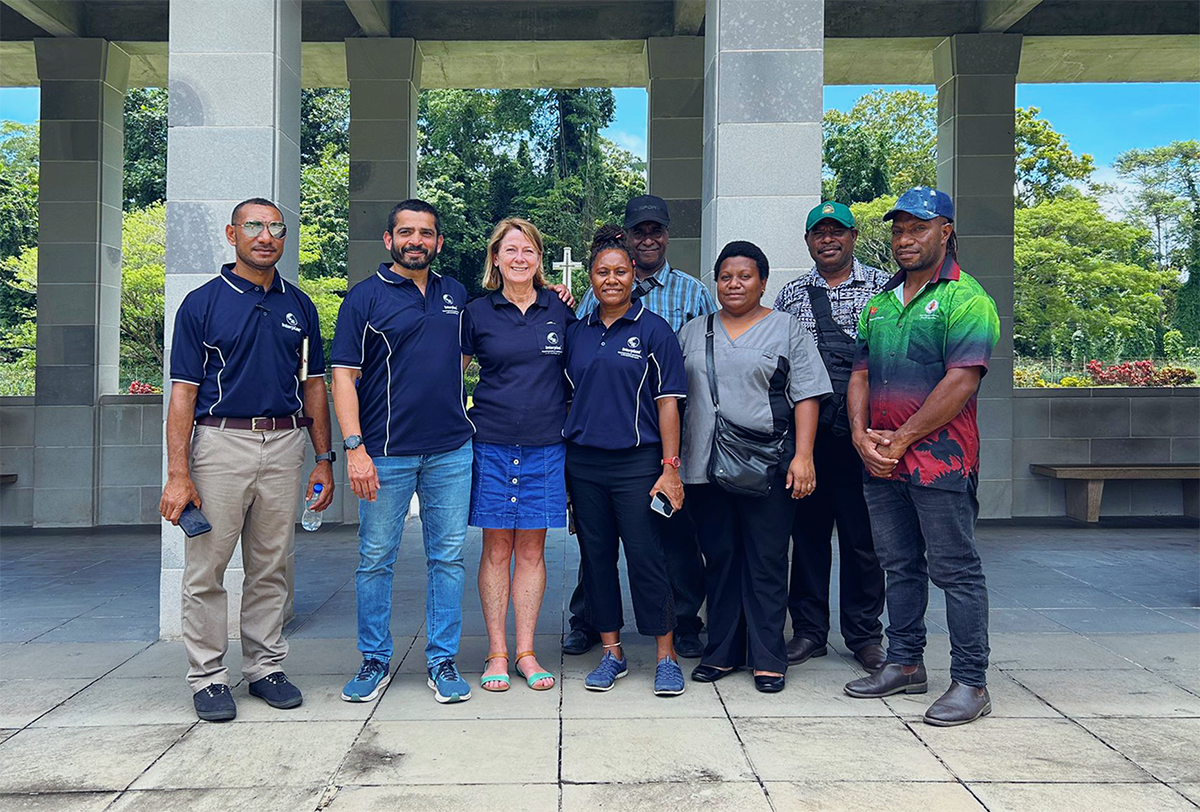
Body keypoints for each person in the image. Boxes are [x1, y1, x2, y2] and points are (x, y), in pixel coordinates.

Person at [161, 197, 335, 723]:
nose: (265, 236)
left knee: (271, 565)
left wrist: (323, 459)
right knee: (207, 568)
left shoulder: (299, 306)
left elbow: (314, 387)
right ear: (232, 234)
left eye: (276, 228)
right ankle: (209, 677)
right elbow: (183, 394)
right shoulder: (202, 304)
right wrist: (178, 473)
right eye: (254, 226)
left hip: (285, 446)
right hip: (220, 445)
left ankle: (265, 668)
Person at [842, 187, 1000, 727]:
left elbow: (962, 381)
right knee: (898, 566)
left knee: (955, 571)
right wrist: (863, 436)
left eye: (918, 228)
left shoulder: (967, 299)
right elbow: (859, 373)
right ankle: (905, 662)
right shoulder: (880, 302)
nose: (905, 239)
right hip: (881, 462)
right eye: (898, 230)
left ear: (946, 230)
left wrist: (902, 437)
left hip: (940, 463)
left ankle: (970, 681)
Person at [331, 199, 475, 705]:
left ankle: (442, 660)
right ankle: (374, 659)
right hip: (385, 455)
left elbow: (474, 349)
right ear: (389, 240)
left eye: (427, 233)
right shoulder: (363, 299)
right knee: (375, 559)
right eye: (407, 232)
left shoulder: (455, 293)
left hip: (452, 452)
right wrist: (354, 448)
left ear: (438, 242)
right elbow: (342, 377)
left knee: (449, 558)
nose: (418, 240)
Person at [565, 195, 714, 660]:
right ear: (626, 239)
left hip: (669, 437)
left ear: (667, 235)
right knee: (597, 543)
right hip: (598, 443)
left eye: (656, 230)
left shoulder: (693, 292)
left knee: (671, 537)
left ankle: (683, 621)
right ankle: (589, 619)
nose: (648, 238)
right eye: (639, 231)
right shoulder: (596, 296)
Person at [679, 241, 830, 693]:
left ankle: (768, 656)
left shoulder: (787, 329)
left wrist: (804, 457)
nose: (734, 284)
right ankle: (722, 651)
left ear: (763, 282)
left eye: (745, 276)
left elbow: (806, 394)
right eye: (726, 276)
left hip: (768, 466)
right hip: (705, 467)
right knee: (720, 560)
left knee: (765, 559)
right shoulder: (692, 331)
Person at [773, 201, 891, 672]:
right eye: (819, 232)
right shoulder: (792, 294)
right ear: (807, 241)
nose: (828, 239)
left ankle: (865, 634)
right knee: (808, 537)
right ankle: (808, 631)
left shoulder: (884, 287)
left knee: (865, 541)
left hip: (863, 436)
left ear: (853, 236)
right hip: (810, 439)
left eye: (836, 231)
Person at [461, 217, 576, 693]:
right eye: (510, 250)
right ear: (496, 258)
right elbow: (451, 374)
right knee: (495, 548)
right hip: (490, 443)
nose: (519, 258)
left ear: (539, 258)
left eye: (528, 250)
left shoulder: (561, 310)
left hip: (547, 447)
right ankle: (496, 653)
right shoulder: (477, 312)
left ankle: (526, 653)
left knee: (531, 548)